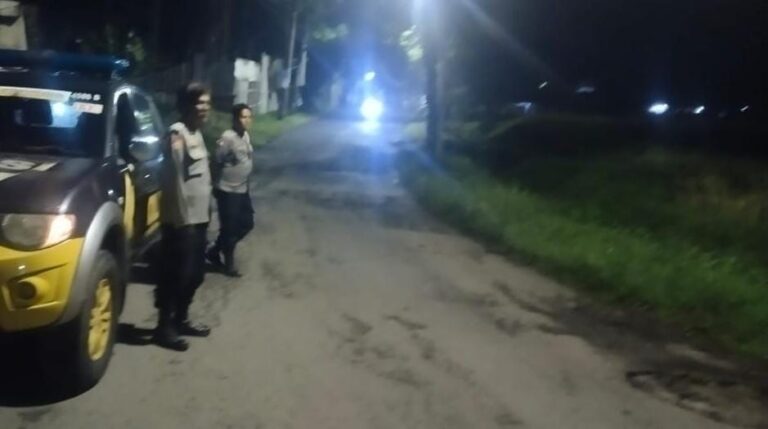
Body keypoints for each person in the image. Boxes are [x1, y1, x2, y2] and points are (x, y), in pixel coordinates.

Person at [153, 82, 213, 351]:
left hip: (199, 219)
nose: (205, 107)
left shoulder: (196, 133)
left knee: (196, 274)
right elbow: (173, 180)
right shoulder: (176, 134)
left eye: (207, 103)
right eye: (199, 102)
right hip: (182, 221)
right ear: (186, 105)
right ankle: (164, 327)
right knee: (176, 274)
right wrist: (182, 221)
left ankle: (182, 319)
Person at [206, 104, 255, 277]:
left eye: (249, 117)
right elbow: (216, 161)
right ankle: (229, 264)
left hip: (242, 188)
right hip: (227, 190)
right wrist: (214, 185)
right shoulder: (228, 138)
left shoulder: (245, 136)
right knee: (230, 228)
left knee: (247, 223)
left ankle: (215, 249)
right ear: (234, 119)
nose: (246, 120)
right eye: (243, 117)